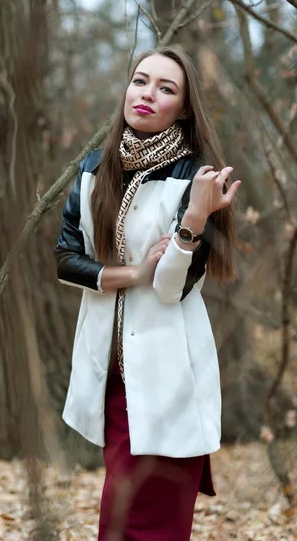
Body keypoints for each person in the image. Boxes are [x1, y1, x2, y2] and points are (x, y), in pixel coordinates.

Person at [54, 45, 241, 541]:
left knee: (142, 523)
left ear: (183, 108)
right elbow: (66, 261)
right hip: (112, 376)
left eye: (166, 88)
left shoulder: (197, 180)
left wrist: (194, 221)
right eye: (140, 81)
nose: (147, 94)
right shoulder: (95, 169)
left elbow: (170, 288)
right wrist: (134, 272)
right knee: (117, 520)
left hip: (167, 378)